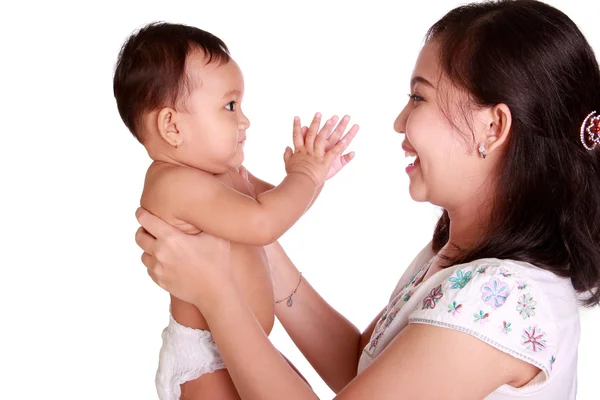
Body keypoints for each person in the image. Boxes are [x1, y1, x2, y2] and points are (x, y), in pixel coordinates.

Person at [134, 1, 600, 398]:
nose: (400, 122)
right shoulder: (458, 253)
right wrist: (242, 236)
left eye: (419, 99)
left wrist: (215, 292)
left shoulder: (503, 302)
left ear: (493, 127)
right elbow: (364, 365)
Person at [113, 22, 358, 399]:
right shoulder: (174, 184)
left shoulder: (224, 174)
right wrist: (304, 174)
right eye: (230, 105)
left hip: (240, 344)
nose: (244, 120)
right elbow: (262, 222)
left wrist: (316, 176)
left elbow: (277, 209)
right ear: (172, 127)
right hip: (203, 361)